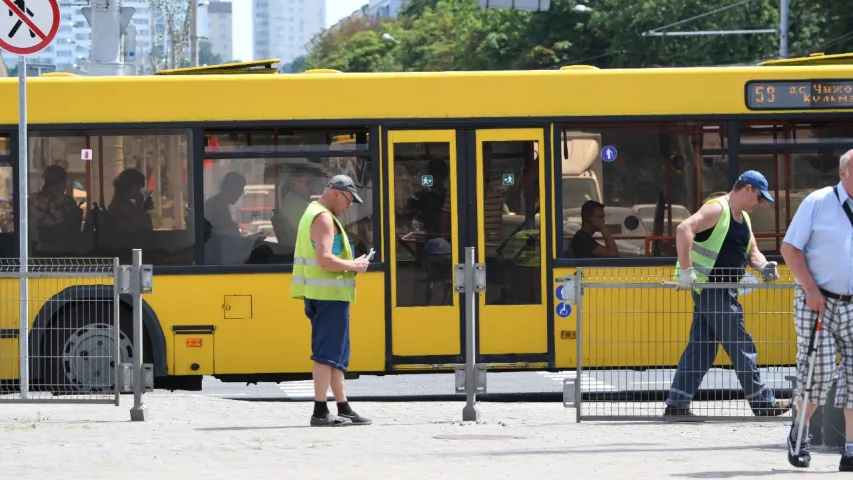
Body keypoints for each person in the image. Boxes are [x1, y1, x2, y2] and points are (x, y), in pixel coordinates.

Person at [665, 170, 791, 418]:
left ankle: (677, 405)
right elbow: (683, 229)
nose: (760, 203)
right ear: (747, 189)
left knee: (701, 348)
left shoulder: (743, 218)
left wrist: (764, 266)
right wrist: (686, 271)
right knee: (741, 343)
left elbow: (753, 252)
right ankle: (763, 403)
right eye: (759, 197)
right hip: (714, 289)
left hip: (720, 290)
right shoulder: (717, 209)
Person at [780, 149, 853, 471]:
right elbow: (789, 248)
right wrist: (810, 288)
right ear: (845, 173)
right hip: (818, 299)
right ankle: (801, 430)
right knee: (819, 369)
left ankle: (851, 449)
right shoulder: (818, 202)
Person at [290, 174, 371, 427]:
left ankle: (343, 406)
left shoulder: (313, 212)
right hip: (328, 296)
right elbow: (324, 259)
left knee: (335, 355)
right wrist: (355, 265)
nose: (350, 205)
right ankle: (320, 412)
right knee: (325, 355)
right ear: (337, 193)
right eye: (349, 199)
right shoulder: (324, 218)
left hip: (325, 295)